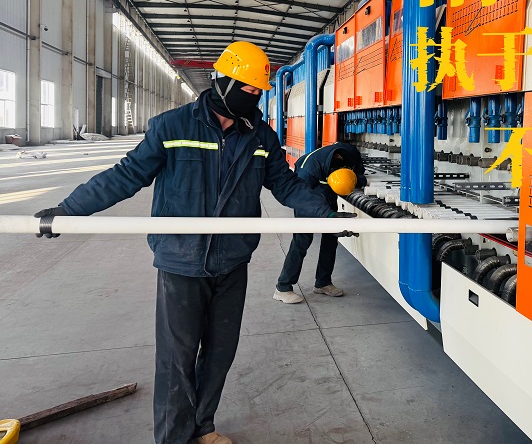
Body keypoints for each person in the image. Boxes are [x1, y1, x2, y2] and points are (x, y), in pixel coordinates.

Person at [32, 41, 356, 444]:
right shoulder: (172, 127)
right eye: (248, 90)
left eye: (259, 92)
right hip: (180, 260)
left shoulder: (260, 136)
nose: (254, 99)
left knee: (220, 354)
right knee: (177, 359)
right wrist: (68, 211)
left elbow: (286, 185)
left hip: (232, 260)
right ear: (224, 83)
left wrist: (324, 215)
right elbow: (124, 176)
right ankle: (174, 438)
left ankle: (203, 427)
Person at [273, 142, 367, 303]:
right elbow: (301, 198)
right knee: (302, 240)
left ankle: (323, 283)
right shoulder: (308, 170)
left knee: (331, 238)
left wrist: (357, 180)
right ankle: (283, 287)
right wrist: (327, 215)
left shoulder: (351, 153)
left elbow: (359, 174)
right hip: (307, 196)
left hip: (329, 193)